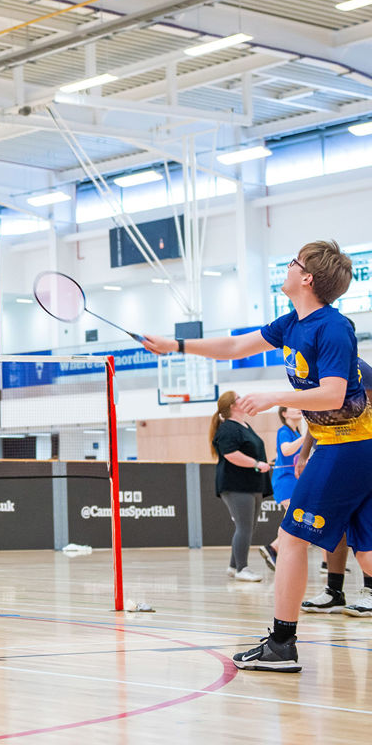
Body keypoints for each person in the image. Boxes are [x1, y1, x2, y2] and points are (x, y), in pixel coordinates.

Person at [143, 240, 372, 673]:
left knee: (291, 540)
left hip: (350, 444)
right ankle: (282, 642)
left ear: (307, 278)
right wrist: (175, 345)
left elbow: (334, 392)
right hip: (342, 445)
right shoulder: (292, 323)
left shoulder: (333, 327)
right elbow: (234, 348)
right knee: (362, 545)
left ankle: (282, 645)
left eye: (294, 262)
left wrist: (271, 396)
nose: (287, 267)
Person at [296, 355, 372, 616]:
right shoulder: (321, 374)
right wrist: (304, 454)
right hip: (329, 454)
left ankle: (370, 591)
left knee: (364, 528)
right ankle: (334, 591)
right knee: (332, 527)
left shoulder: (361, 371)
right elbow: (314, 418)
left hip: (357, 457)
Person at [209, 391, 271, 582]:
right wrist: (255, 464)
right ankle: (242, 569)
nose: (243, 399)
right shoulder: (228, 429)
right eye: (239, 398)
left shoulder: (244, 426)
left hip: (251, 484)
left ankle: (234, 565)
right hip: (236, 484)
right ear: (232, 406)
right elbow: (231, 454)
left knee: (248, 526)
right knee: (244, 527)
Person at [258, 406, 305, 571]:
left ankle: (274, 549)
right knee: (293, 518)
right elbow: (286, 449)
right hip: (285, 481)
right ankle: (274, 548)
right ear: (284, 414)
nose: (299, 410)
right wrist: (307, 438)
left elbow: (283, 454)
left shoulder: (297, 433)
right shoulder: (284, 431)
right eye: (293, 408)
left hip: (295, 481)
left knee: (292, 519)